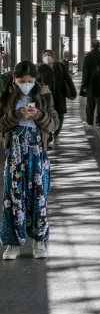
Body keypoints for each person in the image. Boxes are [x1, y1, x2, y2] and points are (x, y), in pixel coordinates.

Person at [0, 61, 60, 260]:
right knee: (12, 196)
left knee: (39, 196)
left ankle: (39, 240)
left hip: (37, 152)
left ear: (36, 80)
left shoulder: (44, 95)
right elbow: (1, 124)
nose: (25, 84)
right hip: (14, 152)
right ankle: (12, 243)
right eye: (21, 81)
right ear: (13, 79)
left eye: (30, 81)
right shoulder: (7, 95)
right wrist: (16, 115)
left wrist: (39, 115)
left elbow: (54, 124)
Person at [38, 48, 77, 140]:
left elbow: (68, 79)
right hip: (46, 97)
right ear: (42, 58)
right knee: (48, 116)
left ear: (53, 57)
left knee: (60, 115)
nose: (47, 57)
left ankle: (56, 134)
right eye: (45, 56)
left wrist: (73, 92)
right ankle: (49, 135)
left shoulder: (60, 66)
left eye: (49, 55)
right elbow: (36, 83)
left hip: (60, 95)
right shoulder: (41, 69)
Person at [82, 39, 100, 128]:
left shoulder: (88, 57)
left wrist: (84, 85)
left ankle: (89, 122)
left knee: (90, 105)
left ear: (91, 46)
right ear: (99, 46)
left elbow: (86, 73)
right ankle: (99, 122)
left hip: (91, 86)